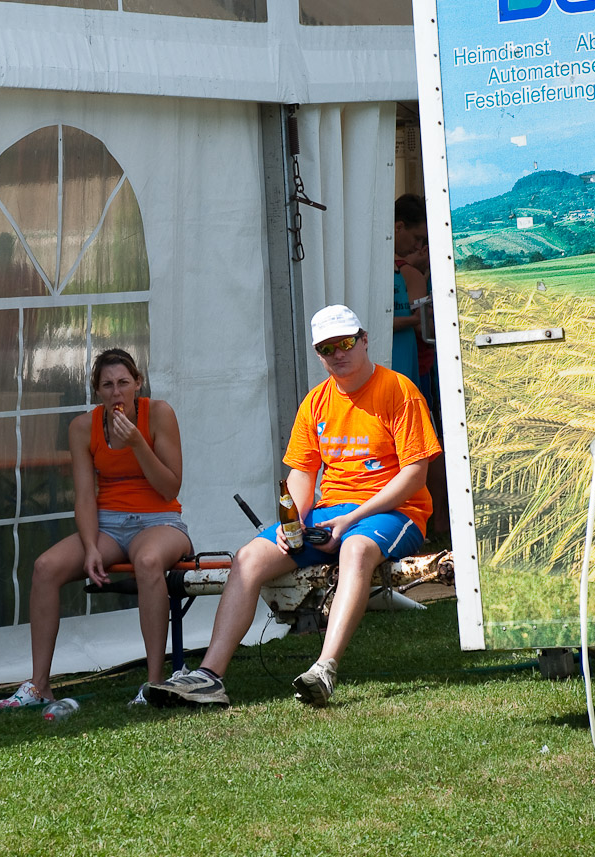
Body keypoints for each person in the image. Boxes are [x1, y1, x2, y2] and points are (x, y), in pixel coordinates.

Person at [147, 305, 441, 709]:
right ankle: (209, 677)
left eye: (345, 343)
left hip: (396, 512)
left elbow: (415, 476)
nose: (338, 354)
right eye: (326, 348)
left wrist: (352, 518)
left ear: (364, 340)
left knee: (356, 549)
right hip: (331, 512)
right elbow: (301, 473)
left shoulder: (399, 390)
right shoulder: (315, 401)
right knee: (249, 556)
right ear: (318, 355)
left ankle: (324, 669)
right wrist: (294, 523)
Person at [0, 349, 193, 709]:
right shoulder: (83, 427)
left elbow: (170, 487)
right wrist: (89, 547)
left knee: (148, 561)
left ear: (138, 383)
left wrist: (137, 443)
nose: (117, 392)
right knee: (44, 567)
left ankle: (153, 682)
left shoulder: (158, 414)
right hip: (108, 525)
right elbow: (85, 496)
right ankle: (39, 685)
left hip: (160, 520)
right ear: (97, 391)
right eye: (107, 385)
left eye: (123, 383)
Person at [392, 193, 429, 392]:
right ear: (399, 227)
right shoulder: (409, 274)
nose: (418, 247)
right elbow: (423, 329)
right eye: (417, 238)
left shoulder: (401, 270)